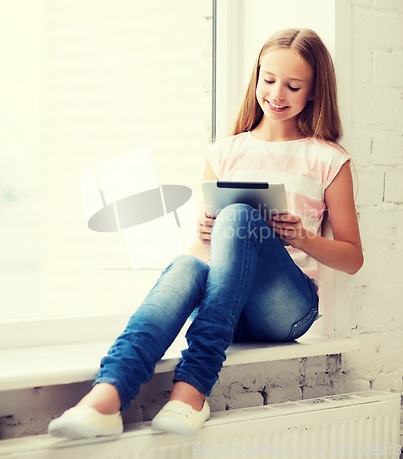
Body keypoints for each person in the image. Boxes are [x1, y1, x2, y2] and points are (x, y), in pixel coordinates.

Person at [48, 28, 363, 439]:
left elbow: (353, 258)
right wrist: (203, 234)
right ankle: (106, 397)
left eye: (293, 85)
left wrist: (302, 237)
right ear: (255, 79)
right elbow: (204, 254)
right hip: (225, 308)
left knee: (237, 217)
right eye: (267, 80)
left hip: (284, 310)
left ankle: (194, 387)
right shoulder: (224, 153)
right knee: (184, 264)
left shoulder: (328, 158)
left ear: (314, 92)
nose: (277, 94)